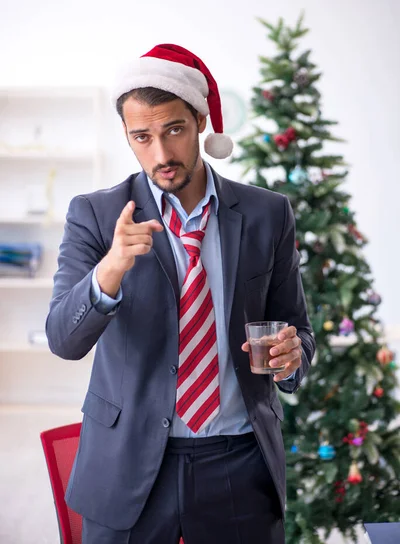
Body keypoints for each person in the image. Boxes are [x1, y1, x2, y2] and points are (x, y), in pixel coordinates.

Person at [46, 43, 316, 544]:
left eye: (173, 130)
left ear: (200, 120)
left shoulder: (267, 214)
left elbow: (296, 328)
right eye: (142, 137)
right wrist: (111, 269)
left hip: (239, 462)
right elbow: (63, 339)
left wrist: (292, 355)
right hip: (127, 466)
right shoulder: (96, 215)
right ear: (127, 138)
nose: (161, 155)